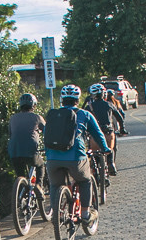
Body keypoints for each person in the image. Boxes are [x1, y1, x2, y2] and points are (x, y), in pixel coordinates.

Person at [46, 84, 110, 226]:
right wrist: (105, 148)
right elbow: (98, 134)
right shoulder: (84, 114)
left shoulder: (52, 114)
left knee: (55, 185)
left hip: (52, 159)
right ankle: (86, 213)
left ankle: (56, 212)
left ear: (62, 99)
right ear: (78, 99)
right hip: (75, 158)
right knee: (85, 180)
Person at [8, 92, 45, 190]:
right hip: (30, 152)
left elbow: (11, 134)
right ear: (33, 105)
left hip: (14, 152)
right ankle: (39, 187)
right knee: (40, 165)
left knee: (20, 175)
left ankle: (21, 195)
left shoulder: (13, 118)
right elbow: (47, 131)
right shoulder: (37, 117)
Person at [85, 83, 123, 175]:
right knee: (110, 149)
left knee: (94, 152)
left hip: (94, 136)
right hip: (108, 132)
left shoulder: (89, 107)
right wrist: (122, 128)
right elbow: (119, 118)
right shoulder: (109, 105)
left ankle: (95, 169)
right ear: (103, 94)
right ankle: (111, 163)